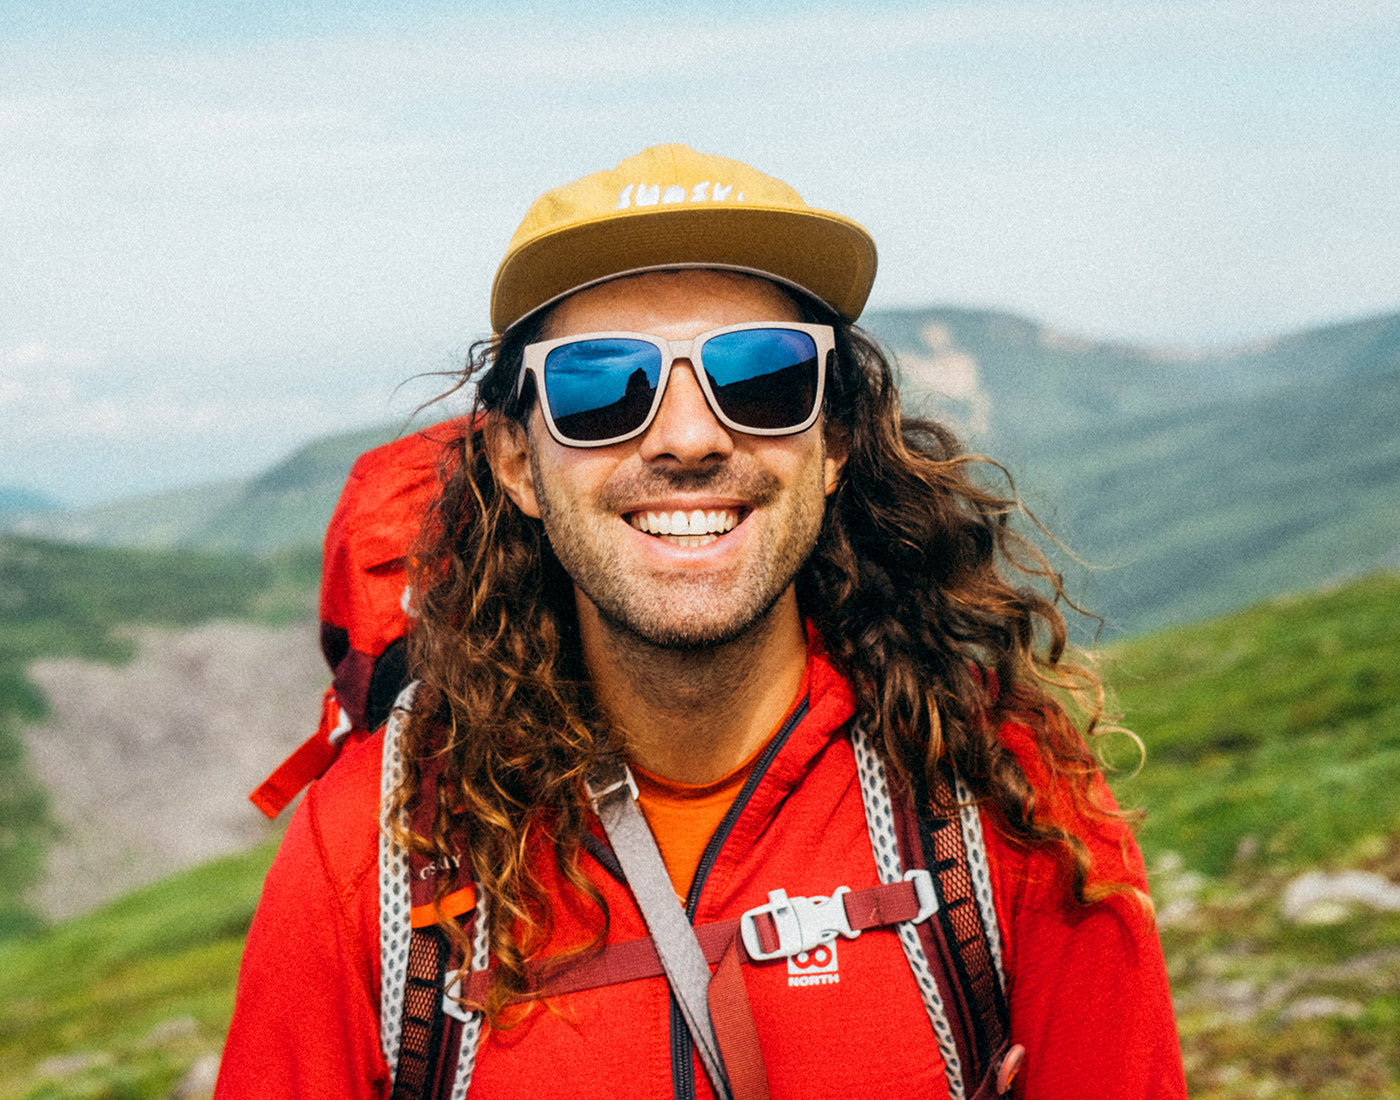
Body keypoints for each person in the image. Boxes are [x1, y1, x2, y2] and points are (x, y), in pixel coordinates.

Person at [216, 144, 1186, 1100]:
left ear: (834, 439)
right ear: (516, 461)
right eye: (603, 386)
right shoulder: (371, 849)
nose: (687, 437)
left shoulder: (1002, 787)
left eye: (761, 377)